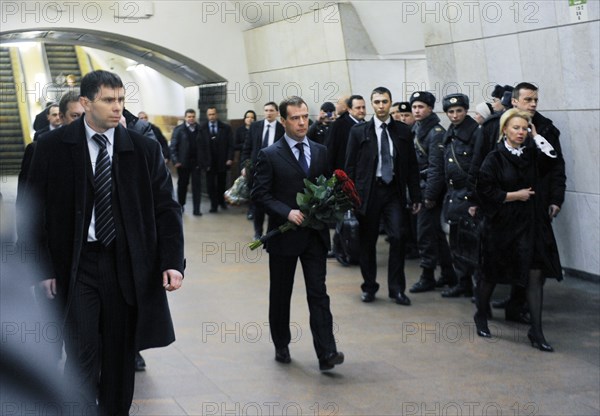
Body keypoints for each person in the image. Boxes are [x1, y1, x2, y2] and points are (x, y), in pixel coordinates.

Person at [21, 70, 184, 413]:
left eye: (122, 100)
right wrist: (41, 268)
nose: (118, 109)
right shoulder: (52, 148)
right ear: (85, 103)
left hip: (126, 265)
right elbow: (31, 211)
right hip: (77, 265)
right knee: (82, 351)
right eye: (109, 100)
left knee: (120, 355)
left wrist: (172, 261)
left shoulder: (142, 149)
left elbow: (167, 209)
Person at [251, 96, 344, 371]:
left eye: (305, 116)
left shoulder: (320, 151)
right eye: (295, 117)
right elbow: (260, 194)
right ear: (283, 121)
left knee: (319, 293)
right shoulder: (269, 154)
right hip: (284, 237)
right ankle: (281, 342)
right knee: (281, 293)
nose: (302, 122)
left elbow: (326, 186)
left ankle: (327, 352)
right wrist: (287, 212)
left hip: (314, 235)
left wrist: (330, 206)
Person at [474, 109, 562, 352]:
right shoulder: (494, 158)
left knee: (535, 276)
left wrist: (537, 137)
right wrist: (514, 195)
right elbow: (485, 191)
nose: (521, 133)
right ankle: (481, 314)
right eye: (516, 128)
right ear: (504, 130)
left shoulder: (532, 154)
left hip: (531, 226)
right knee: (490, 275)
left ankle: (537, 331)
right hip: (502, 226)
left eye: (524, 128)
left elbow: (551, 160)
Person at [345, 86, 421, 305]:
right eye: (377, 102)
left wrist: (415, 196)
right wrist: (349, 196)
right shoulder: (359, 132)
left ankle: (397, 289)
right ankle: (369, 286)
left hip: (393, 191)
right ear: (372, 104)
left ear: (390, 103)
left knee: (398, 237)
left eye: (384, 102)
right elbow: (349, 166)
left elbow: (412, 166)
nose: (380, 106)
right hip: (367, 192)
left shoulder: (403, 131)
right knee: (367, 241)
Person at [408, 91, 456, 293]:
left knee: (425, 234)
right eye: (414, 107)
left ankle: (427, 275)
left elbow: (437, 168)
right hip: (420, 188)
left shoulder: (435, 132)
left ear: (429, 108)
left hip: (429, 191)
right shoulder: (418, 128)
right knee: (435, 234)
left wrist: (429, 196)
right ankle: (448, 273)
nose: (417, 110)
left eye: (421, 107)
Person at [439, 93, 480, 298]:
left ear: (466, 110)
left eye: (459, 111)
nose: (455, 115)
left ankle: (478, 288)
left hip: (469, 195)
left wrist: (474, 198)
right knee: (456, 242)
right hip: (454, 194)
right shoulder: (451, 132)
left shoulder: (475, 133)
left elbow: (478, 167)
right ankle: (463, 282)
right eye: (451, 112)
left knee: (474, 243)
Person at [242, 102, 285, 239]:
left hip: (276, 171)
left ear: (277, 113)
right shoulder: (255, 127)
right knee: (258, 202)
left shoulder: (282, 129)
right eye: (266, 110)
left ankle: (271, 233)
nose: (268, 113)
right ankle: (258, 232)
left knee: (273, 203)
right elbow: (247, 147)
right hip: (257, 170)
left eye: (271, 110)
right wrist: (245, 165)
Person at [199, 107, 234, 213]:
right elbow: (200, 147)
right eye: (210, 114)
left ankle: (221, 202)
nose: (212, 116)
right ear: (207, 116)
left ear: (217, 115)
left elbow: (230, 145)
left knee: (221, 183)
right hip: (209, 162)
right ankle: (213, 205)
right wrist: (203, 162)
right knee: (210, 185)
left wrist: (229, 158)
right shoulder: (202, 128)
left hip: (222, 160)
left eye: (213, 114)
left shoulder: (225, 128)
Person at [170, 109, 202, 215]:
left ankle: (196, 209)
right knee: (183, 185)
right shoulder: (179, 130)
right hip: (183, 163)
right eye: (189, 117)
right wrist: (176, 161)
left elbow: (204, 146)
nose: (191, 118)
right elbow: (173, 146)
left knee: (197, 186)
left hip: (196, 162)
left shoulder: (200, 129)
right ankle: (181, 205)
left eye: (193, 116)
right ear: (185, 118)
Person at [327, 94, 366, 172]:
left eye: (363, 107)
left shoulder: (367, 126)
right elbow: (330, 151)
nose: (362, 110)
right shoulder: (337, 125)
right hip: (344, 175)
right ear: (349, 109)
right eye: (358, 108)